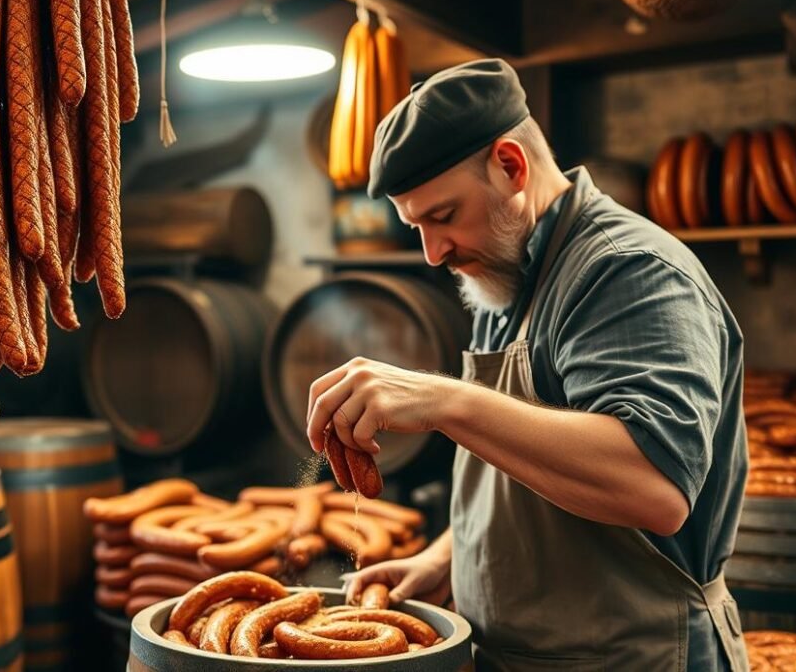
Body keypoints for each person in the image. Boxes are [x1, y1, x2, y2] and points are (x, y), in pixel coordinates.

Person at [305, 59, 749, 671]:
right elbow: (527, 465)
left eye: (443, 215)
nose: (433, 253)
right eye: (416, 227)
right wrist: (447, 557)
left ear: (510, 165)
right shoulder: (506, 272)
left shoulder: (626, 269)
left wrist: (445, 401)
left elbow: (655, 486)